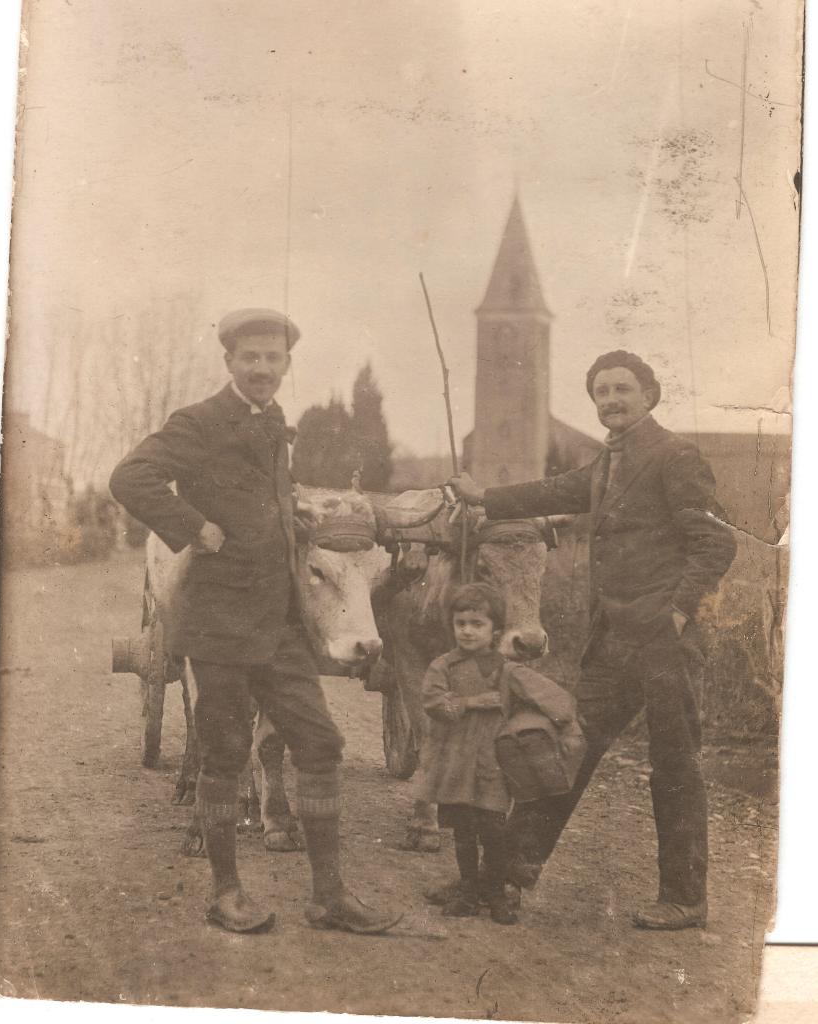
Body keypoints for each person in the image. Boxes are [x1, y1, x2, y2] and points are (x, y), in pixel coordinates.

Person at [109, 308, 401, 936]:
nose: (263, 367)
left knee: (320, 742)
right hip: (219, 624)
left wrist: (289, 513)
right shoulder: (200, 421)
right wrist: (195, 527)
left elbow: (257, 496)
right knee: (224, 753)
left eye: (273, 357)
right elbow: (130, 477)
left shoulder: (273, 423)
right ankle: (226, 893)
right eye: (251, 357)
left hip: (278, 622)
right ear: (230, 362)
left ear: (286, 363)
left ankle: (328, 896)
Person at [449, 350, 737, 930]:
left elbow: (716, 543)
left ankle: (684, 898)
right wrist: (485, 497)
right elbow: (557, 490)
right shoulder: (608, 462)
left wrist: (677, 613)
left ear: (649, 396)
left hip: (665, 641)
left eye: (622, 389)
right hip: (613, 640)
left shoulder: (675, 456)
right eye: (601, 392)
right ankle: (507, 874)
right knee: (565, 747)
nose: (610, 400)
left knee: (673, 764)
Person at [418, 583, 518, 925]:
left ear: (495, 629)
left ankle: (496, 894)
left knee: (493, 831)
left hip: (493, 763)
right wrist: (472, 702)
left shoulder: (508, 669)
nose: (468, 631)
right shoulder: (444, 666)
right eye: (460, 623)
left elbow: (525, 703)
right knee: (463, 831)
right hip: (457, 763)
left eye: (477, 624)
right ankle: (468, 892)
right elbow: (433, 703)